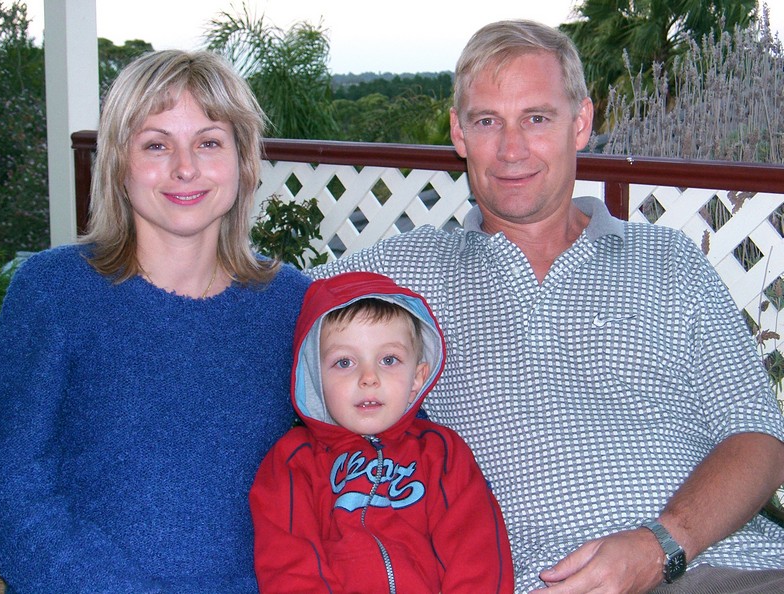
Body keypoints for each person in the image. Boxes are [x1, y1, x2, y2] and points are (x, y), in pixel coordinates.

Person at [310, 19, 784, 594]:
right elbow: (256, 301)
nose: (511, 150)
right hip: (541, 582)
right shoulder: (408, 273)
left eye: (536, 118)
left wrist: (659, 546)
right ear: (459, 133)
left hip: (719, 566)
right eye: (487, 122)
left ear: (580, 123)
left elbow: (759, 439)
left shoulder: (669, 261)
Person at [0, 50, 309, 592]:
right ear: (118, 163)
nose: (185, 167)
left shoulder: (293, 304)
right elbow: (7, 488)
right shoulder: (54, 291)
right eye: (156, 145)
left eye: (209, 143)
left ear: (244, 161)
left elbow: (357, 454)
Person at [249, 271, 513, 593]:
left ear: (417, 378)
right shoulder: (294, 462)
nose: (368, 378)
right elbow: (288, 562)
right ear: (315, 379)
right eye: (344, 362)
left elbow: (477, 551)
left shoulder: (442, 454)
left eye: (389, 359)